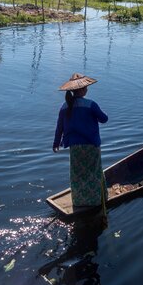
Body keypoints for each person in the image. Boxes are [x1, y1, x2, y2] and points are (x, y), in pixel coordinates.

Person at [53, 73, 109, 208]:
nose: (87, 89)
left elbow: (59, 127)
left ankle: (79, 201)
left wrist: (56, 143)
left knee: (77, 174)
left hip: (75, 147)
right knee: (94, 172)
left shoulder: (64, 106)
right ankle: (96, 200)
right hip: (91, 145)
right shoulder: (91, 105)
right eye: (86, 87)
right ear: (82, 90)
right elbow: (104, 119)